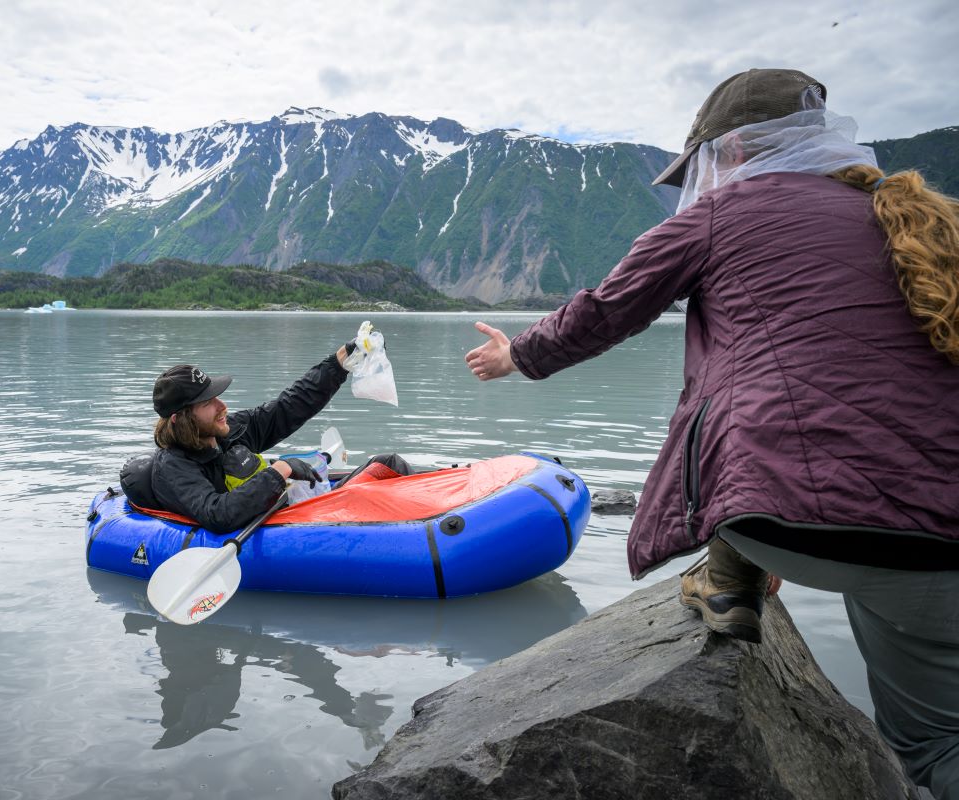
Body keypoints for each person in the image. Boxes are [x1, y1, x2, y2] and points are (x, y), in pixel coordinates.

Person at [464, 68, 959, 797]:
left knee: (752, 404)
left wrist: (517, 354)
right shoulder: (925, 222)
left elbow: (608, 309)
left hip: (785, 524)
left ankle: (732, 576)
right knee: (937, 742)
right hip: (939, 541)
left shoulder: (720, 215)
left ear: (726, 153)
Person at [120, 343, 411, 534]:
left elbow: (287, 407)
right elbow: (218, 514)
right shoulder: (174, 467)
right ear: (181, 418)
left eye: (217, 397)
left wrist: (337, 365)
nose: (223, 407)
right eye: (208, 403)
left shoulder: (228, 431)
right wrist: (280, 470)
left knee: (389, 463)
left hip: (296, 510)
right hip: (288, 526)